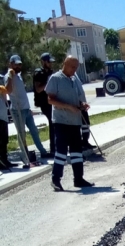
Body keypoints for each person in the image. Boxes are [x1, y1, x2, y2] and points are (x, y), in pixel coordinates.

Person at [45, 56, 94, 191]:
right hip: (61, 121)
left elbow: (75, 99)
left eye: (76, 67)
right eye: (72, 67)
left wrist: (81, 105)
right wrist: (67, 107)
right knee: (61, 151)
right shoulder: (55, 79)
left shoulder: (73, 80)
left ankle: (78, 179)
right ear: (65, 64)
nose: (74, 70)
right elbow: (50, 100)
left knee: (76, 152)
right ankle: (56, 179)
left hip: (74, 121)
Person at [4, 55, 50, 161]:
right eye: (16, 64)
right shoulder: (9, 76)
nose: (18, 66)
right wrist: (10, 76)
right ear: (10, 64)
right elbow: (8, 90)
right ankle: (25, 155)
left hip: (26, 109)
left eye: (20, 64)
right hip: (17, 110)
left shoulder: (19, 75)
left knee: (34, 131)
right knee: (21, 134)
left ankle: (42, 152)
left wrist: (28, 108)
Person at [33, 53, 57, 157]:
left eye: (51, 62)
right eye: (48, 62)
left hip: (52, 101)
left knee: (55, 123)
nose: (50, 64)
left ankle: (56, 147)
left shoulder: (50, 72)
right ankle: (53, 149)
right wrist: (47, 81)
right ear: (43, 62)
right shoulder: (39, 73)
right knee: (53, 123)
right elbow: (38, 89)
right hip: (44, 103)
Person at [0, 81, 17, 170]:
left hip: (4, 117)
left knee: (4, 141)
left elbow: (8, 91)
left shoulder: (1, 89)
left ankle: (5, 160)